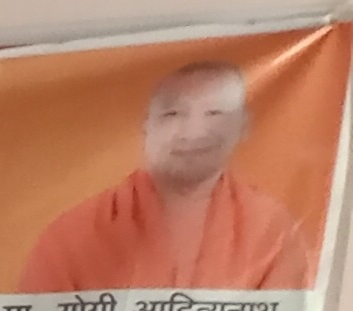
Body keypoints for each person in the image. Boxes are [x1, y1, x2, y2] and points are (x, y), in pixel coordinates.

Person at [17, 56, 321, 294]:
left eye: (215, 113)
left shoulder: (272, 231)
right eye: (173, 114)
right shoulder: (74, 233)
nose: (193, 131)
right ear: (146, 127)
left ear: (243, 125)